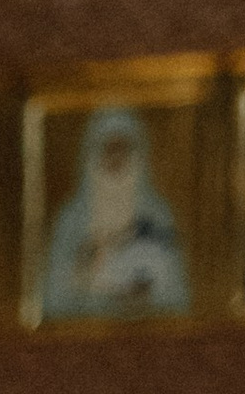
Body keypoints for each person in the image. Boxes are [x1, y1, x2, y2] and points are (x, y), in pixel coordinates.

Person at [40, 104, 192, 319]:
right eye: (108, 149)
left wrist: (144, 298)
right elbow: (53, 300)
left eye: (123, 148)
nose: (116, 158)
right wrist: (88, 284)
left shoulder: (158, 214)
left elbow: (177, 296)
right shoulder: (71, 219)